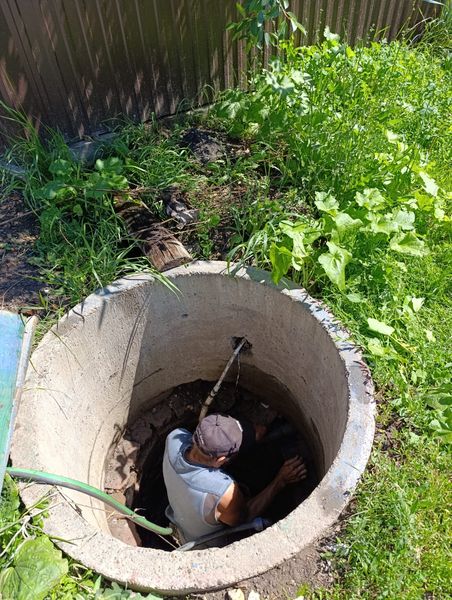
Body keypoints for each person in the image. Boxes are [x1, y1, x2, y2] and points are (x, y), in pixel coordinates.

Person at [162, 413, 307, 543]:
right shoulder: (221, 493)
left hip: (183, 516)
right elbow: (245, 517)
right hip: (207, 544)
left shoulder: (174, 437)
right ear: (220, 460)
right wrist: (280, 480)